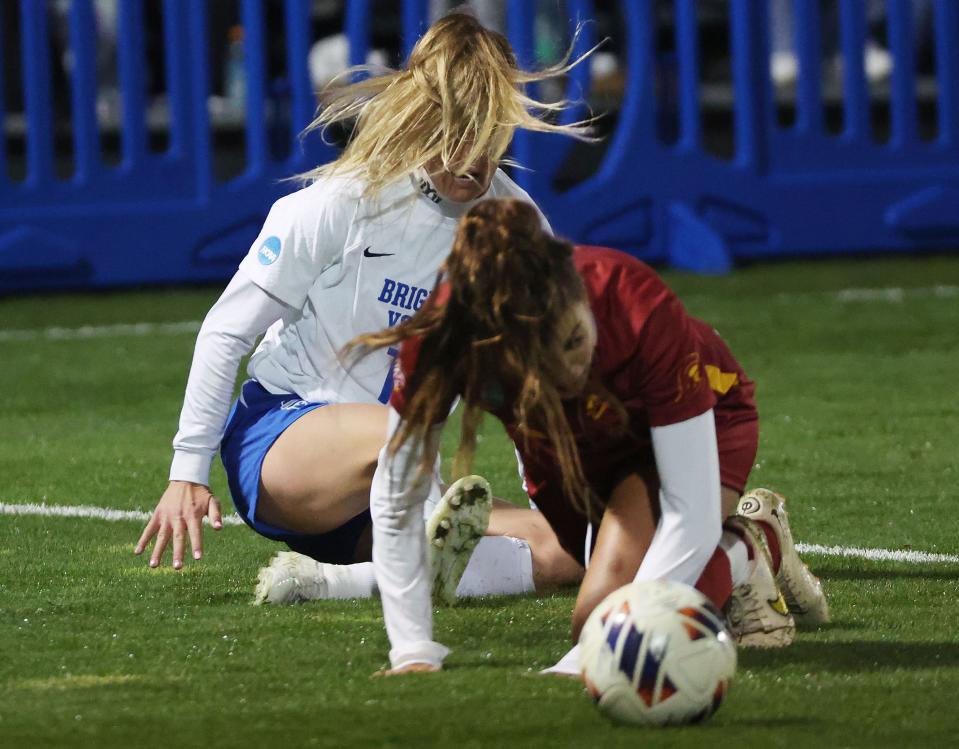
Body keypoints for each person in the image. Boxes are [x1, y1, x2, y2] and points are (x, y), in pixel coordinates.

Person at [133, 12, 591, 601]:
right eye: (454, 128)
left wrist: (572, 498)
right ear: (424, 115)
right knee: (397, 429)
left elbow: (546, 376)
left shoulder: (518, 224)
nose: (468, 154)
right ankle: (416, 561)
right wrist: (186, 473)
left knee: (570, 547)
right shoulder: (342, 199)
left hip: (398, 481)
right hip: (284, 446)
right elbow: (226, 332)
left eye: (487, 132)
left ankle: (337, 584)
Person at [351, 198, 829, 675]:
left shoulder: (637, 304)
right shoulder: (441, 344)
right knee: (597, 612)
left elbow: (690, 509)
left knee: (600, 628)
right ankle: (742, 546)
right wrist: (412, 650)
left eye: (575, 340)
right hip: (568, 445)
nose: (572, 366)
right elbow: (397, 499)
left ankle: (741, 551)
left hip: (703, 416)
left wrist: (591, 658)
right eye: (546, 357)